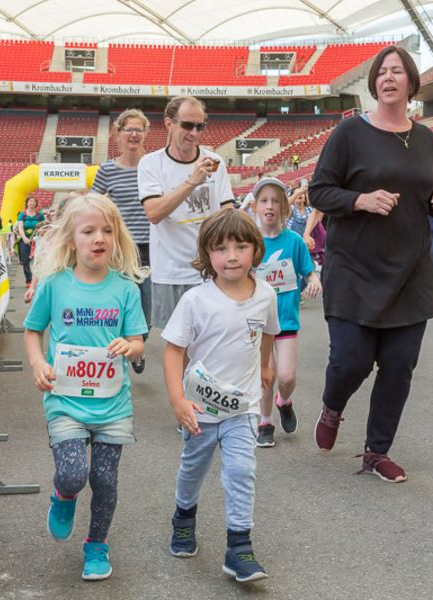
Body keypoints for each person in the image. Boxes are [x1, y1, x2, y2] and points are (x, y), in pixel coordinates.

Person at [308, 45, 433, 482]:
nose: (389, 78)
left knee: (399, 365)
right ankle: (333, 405)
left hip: (410, 271)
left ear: (411, 82)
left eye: (397, 71)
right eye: (382, 72)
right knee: (351, 360)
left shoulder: (426, 139)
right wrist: (360, 199)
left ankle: (376, 452)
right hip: (355, 267)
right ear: (374, 83)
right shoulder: (350, 134)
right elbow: (319, 192)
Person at [23, 192, 148, 581]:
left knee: (106, 480)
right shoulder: (56, 285)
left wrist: (130, 346)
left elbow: (139, 340)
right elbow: (32, 330)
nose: (99, 238)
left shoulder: (126, 288)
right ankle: (63, 495)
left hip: (112, 403)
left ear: (117, 238)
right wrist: (38, 362)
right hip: (65, 400)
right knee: (74, 473)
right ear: (70, 239)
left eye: (107, 231)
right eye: (89, 230)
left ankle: (96, 545)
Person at [162, 208, 278, 583]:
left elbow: (266, 333)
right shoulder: (197, 300)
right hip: (199, 408)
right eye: (221, 248)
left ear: (255, 251)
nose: (231, 256)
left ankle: (239, 547)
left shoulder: (266, 295)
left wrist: (264, 366)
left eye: (241, 247)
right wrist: (178, 400)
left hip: (242, 408)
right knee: (193, 470)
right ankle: (183, 517)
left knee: (242, 472)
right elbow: (173, 351)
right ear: (207, 255)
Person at [138, 96, 234, 329]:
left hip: (210, 271)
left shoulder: (214, 161)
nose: (194, 132)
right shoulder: (151, 163)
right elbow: (154, 213)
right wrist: (192, 181)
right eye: (187, 125)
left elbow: (227, 212)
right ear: (168, 123)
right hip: (170, 273)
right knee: (176, 345)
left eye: (199, 127)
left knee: (211, 341)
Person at [250, 177, 322, 447]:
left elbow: (309, 272)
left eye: (275, 201)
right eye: (264, 200)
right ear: (256, 206)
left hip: (286, 319)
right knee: (266, 376)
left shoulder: (294, 241)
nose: (270, 206)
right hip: (258, 322)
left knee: (288, 376)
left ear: (284, 207)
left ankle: (285, 400)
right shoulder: (250, 242)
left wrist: (314, 281)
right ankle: (265, 422)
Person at [93, 108, 152, 374]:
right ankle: (123, 348)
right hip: (119, 249)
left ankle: (138, 343)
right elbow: (93, 203)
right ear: (118, 134)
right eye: (128, 129)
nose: (133, 134)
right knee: (118, 302)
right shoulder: (107, 169)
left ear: (146, 133)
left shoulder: (153, 166)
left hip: (151, 248)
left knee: (147, 307)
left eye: (138, 129)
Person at [17, 195, 45, 288]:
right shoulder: (22, 214)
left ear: (36, 203)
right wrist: (24, 238)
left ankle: (38, 279)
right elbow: (20, 227)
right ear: (27, 203)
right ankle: (29, 280)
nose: (32, 203)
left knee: (38, 259)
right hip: (25, 239)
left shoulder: (39, 214)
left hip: (37, 239)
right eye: (30, 201)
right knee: (25, 260)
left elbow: (43, 226)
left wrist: (40, 235)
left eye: (34, 201)